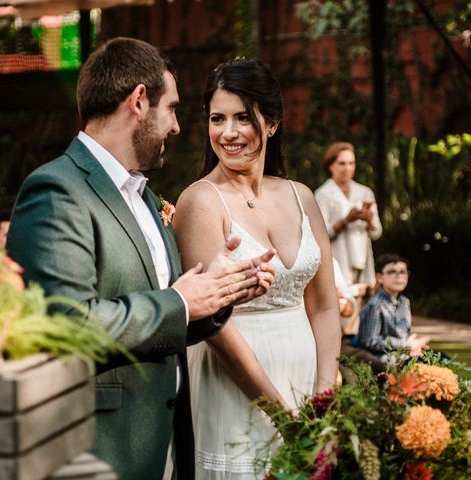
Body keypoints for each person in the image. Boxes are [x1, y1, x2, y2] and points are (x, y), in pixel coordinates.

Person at [6, 38, 276, 480]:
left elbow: (166, 316)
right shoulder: (57, 191)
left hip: (164, 444)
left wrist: (220, 292)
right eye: (170, 109)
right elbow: (64, 327)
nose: (175, 127)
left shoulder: (144, 197)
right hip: (100, 448)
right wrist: (183, 301)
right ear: (139, 100)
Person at [173, 58, 341, 478]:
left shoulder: (301, 196)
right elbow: (214, 325)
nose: (227, 133)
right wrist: (281, 414)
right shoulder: (200, 202)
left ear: (272, 122)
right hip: (236, 386)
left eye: (242, 118)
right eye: (217, 118)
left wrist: (322, 398)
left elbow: (322, 306)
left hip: (305, 378)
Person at [314, 142, 382, 285]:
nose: (348, 168)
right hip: (337, 263)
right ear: (331, 166)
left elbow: (377, 233)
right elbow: (319, 235)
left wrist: (369, 220)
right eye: (342, 163)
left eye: (351, 163)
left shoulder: (365, 192)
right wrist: (346, 221)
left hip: (363, 261)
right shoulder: (323, 194)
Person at [357, 253, 430, 366]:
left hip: (403, 352)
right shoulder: (375, 305)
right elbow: (370, 341)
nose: (398, 276)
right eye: (392, 272)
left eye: (402, 272)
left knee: (437, 357)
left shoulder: (404, 302)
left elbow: (404, 334)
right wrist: (407, 344)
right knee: (420, 365)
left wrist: (413, 345)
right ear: (379, 277)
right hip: (382, 357)